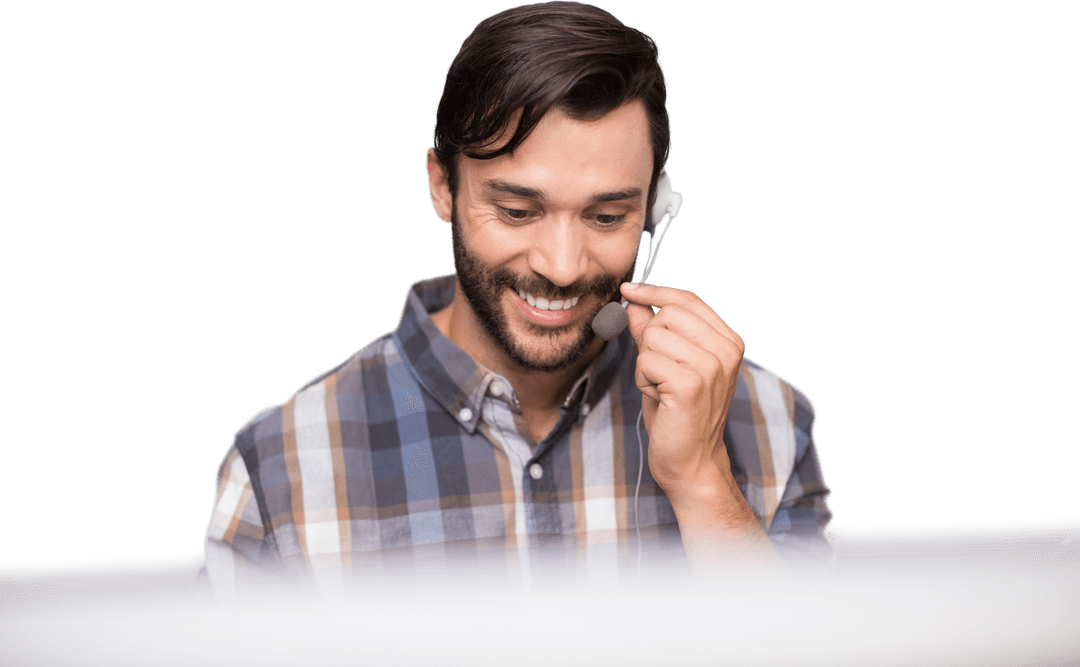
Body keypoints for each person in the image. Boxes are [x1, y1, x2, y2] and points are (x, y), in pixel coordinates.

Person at [200, 1, 835, 598]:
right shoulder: (281, 463)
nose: (560, 267)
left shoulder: (768, 423)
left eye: (607, 217)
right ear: (442, 186)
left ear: (655, 211)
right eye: (516, 210)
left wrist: (703, 483)